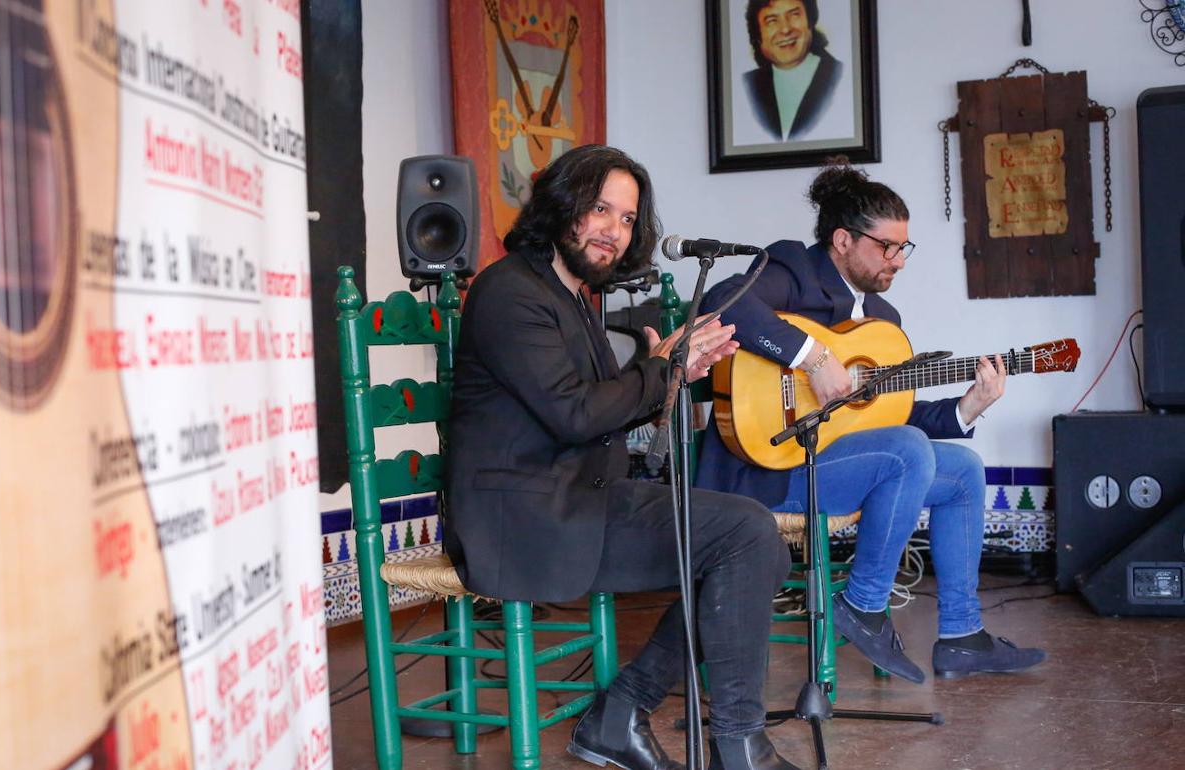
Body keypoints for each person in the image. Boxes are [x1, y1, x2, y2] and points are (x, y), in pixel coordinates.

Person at [446, 144, 803, 770]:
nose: (614, 229)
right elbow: (575, 415)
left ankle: (630, 712)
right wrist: (661, 370)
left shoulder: (572, 296)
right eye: (600, 209)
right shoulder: (510, 292)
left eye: (628, 218)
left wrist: (669, 375)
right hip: (521, 522)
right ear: (562, 205)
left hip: (574, 498)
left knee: (759, 542)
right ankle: (733, 744)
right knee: (746, 535)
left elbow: (596, 411)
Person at [695, 162, 1047, 683]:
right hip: (768, 467)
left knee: (963, 470)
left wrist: (969, 406)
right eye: (887, 247)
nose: (899, 260)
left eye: (904, 247)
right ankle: (863, 604)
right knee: (908, 450)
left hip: (835, 463)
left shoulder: (883, 321)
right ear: (843, 240)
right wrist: (815, 358)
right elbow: (721, 304)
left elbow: (891, 416)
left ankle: (962, 635)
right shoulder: (794, 268)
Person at [743, 0, 842, 140]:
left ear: (810, 22)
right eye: (772, 21)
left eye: (794, 15)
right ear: (758, 35)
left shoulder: (842, 77)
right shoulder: (746, 86)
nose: (785, 29)